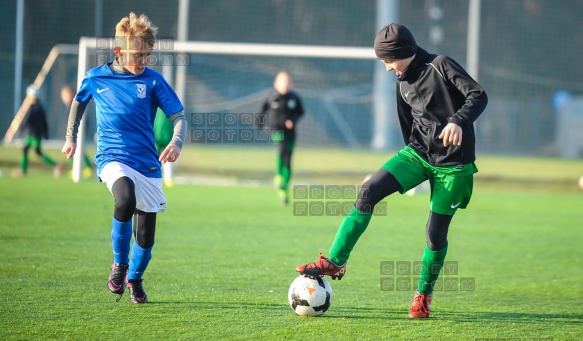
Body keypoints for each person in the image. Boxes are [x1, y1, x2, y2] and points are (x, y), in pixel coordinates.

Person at [295, 23, 488, 318]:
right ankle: (335, 260)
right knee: (369, 190)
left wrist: (458, 121)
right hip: (417, 155)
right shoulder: (401, 81)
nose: (387, 68)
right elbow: (408, 126)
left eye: (388, 60)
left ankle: (423, 296)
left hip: (454, 165)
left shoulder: (441, 65)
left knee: (435, 234)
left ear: (404, 53)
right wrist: (407, 171)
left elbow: (478, 94)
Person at [61, 12, 187, 304]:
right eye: (136, 54)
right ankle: (119, 265)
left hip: (148, 164)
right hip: (112, 158)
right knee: (125, 198)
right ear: (118, 51)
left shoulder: (153, 81)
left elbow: (179, 116)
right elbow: (78, 105)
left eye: (146, 54)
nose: (142, 60)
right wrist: (71, 137)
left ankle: (135, 279)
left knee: (145, 237)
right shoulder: (96, 77)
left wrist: (177, 142)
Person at [257, 71, 304, 205]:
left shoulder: (294, 98)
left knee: (288, 159)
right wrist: (259, 123)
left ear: (292, 84)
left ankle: (284, 189)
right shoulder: (273, 97)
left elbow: (301, 112)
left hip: (290, 132)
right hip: (276, 130)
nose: (285, 85)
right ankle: (278, 176)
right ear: (276, 84)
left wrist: (293, 121)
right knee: (282, 148)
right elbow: (263, 109)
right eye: (283, 82)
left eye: (288, 82)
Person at [16, 85, 64, 178]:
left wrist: (21, 129)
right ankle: (23, 170)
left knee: (38, 152)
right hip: (32, 134)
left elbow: (28, 120)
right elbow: (44, 123)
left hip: (34, 135)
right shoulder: (40, 107)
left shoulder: (34, 108)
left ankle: (56, 165)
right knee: (25, 150)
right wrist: (45, 134)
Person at [60, 85, 94, 178]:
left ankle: (88, 168)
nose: (64, 98)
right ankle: (77, 168)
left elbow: (83, 119)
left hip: (80, 130)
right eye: (63, 96)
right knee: (73, 149)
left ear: (71, 94)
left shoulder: (77, 104)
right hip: (74, 132)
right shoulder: (69, 106)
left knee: (78, 149)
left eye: (66, 95)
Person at [154, 107, 175, 187]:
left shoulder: (168, 108)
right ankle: (163, 178)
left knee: (166, 156)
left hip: (163, 136)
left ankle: (167, 178)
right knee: (157, 157)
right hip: (157, 136)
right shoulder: (156, 108)